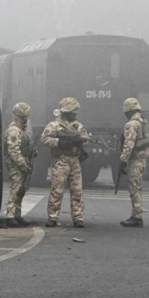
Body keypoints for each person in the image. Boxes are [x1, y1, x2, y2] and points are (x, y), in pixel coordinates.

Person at [40, 97, 90, 228]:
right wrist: (59, 142)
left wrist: (80, 141)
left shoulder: (78, 126)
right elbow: (44, 139)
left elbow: (86, 138)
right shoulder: (54, 125)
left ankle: (78, 217)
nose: (74, 113)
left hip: (74, 161)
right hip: (61, 160)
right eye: (72, 111)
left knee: (77, 191)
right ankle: (53, 217)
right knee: (57, 190)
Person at [119, 97, 149, 227]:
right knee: (137, 186)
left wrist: (123, 160)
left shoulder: (132, 124)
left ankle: (137, 217)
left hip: (135, 159)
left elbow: (129, 144)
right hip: (142, 158)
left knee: (134, 188)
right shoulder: (144, 122)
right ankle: (136, 215)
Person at [4, 102, 36, 224]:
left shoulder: (21, 130)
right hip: (15, 163)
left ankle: (17, 214)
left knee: (21, 189)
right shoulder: (14, 130)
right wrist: (22, 164)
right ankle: (10, 215)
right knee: (16, 187)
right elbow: (13, 150)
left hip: (22, 161)